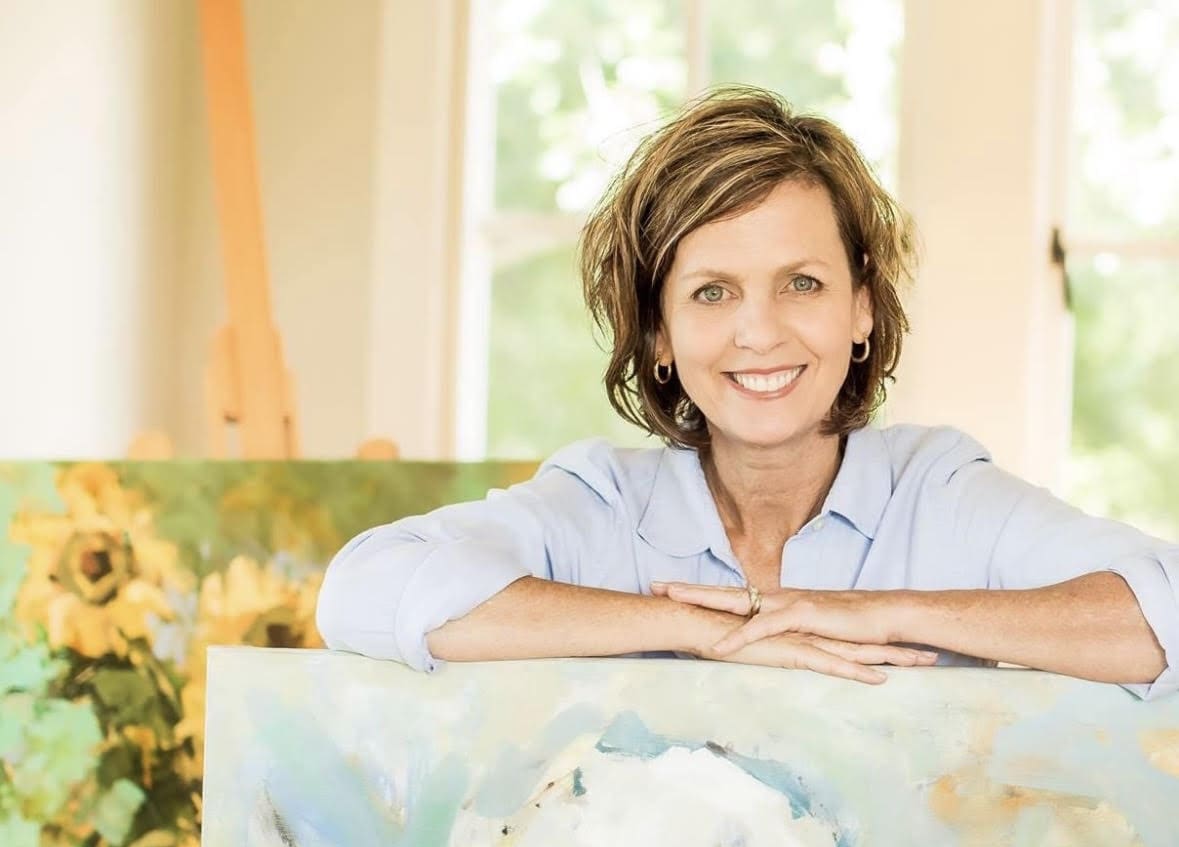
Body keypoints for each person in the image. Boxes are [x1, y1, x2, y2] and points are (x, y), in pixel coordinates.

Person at [316, 87, 1177, 699]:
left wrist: (871, 615)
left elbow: (1161, 613)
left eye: (801, 283)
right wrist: (705, 631)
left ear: (861, 310)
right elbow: (365, 588)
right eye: (711, 291)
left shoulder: (939, 493)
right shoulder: (604, 504)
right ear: (657, 334)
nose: (758, 332)